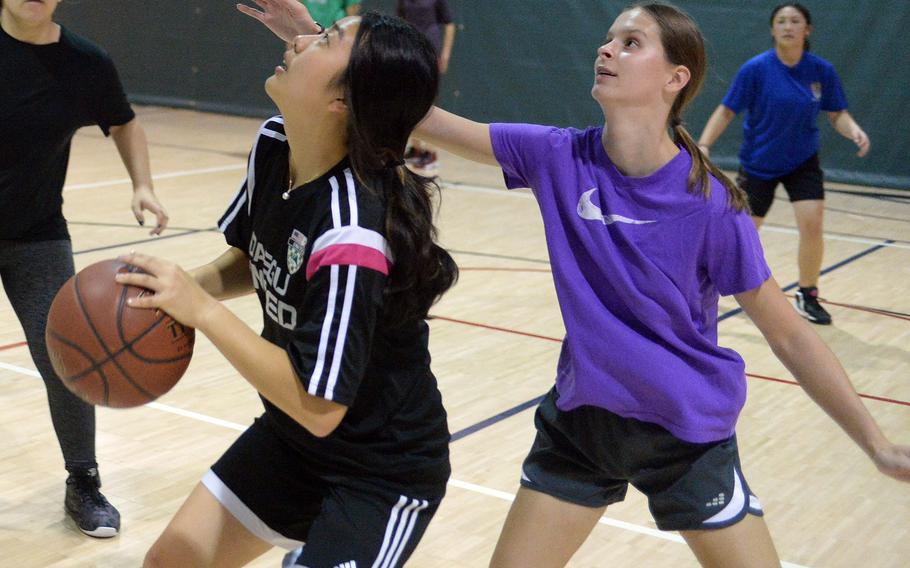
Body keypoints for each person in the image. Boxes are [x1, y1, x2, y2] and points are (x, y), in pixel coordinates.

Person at [248, 0, 910, 566]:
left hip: (685, 432)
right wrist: (314, 44)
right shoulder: (559, 155)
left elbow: (789, 335)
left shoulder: (713, 204)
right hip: (583, 425)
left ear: (675, 77)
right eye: (609, 37)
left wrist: (875, 442)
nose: (608, 48)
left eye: (631, 43)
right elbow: (420, 116)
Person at [127, 9, 458, 568]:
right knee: (170, 562)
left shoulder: (353, 232)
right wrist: (181, 290)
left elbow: (320, 404)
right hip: (292, 441)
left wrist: (203, 310)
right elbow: (255, 258)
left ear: (342, 102)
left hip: (379, 472)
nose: (300, 40)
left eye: (324, 39)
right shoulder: (276, 142)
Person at [0, 0, 168, 538]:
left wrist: (142, 184)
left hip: (35, 235)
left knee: (65, 358)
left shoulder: (84, 63)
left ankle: (83, 480)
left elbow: (124, 123)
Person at [697, 3, 870, 325]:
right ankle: (704, 282)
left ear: (808, 29)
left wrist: (854, 129)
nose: (788, 26)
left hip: (802, 161)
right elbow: (726, 110)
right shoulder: (756, 69)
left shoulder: (821, 71)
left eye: (795, 21)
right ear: (772, 29)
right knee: (743, 233)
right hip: (759, 163)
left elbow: (836, 114)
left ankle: (807, 293)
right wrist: (705, 144)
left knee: (812, 222)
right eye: (781, 21)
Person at [398, 0, 456, 171]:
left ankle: (431, 152)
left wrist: (445, 54)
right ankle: (417, 149)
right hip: (409, 49)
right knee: (408, 99)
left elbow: (450, 23)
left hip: (430, 48)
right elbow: (399, 23)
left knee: (427, 100)